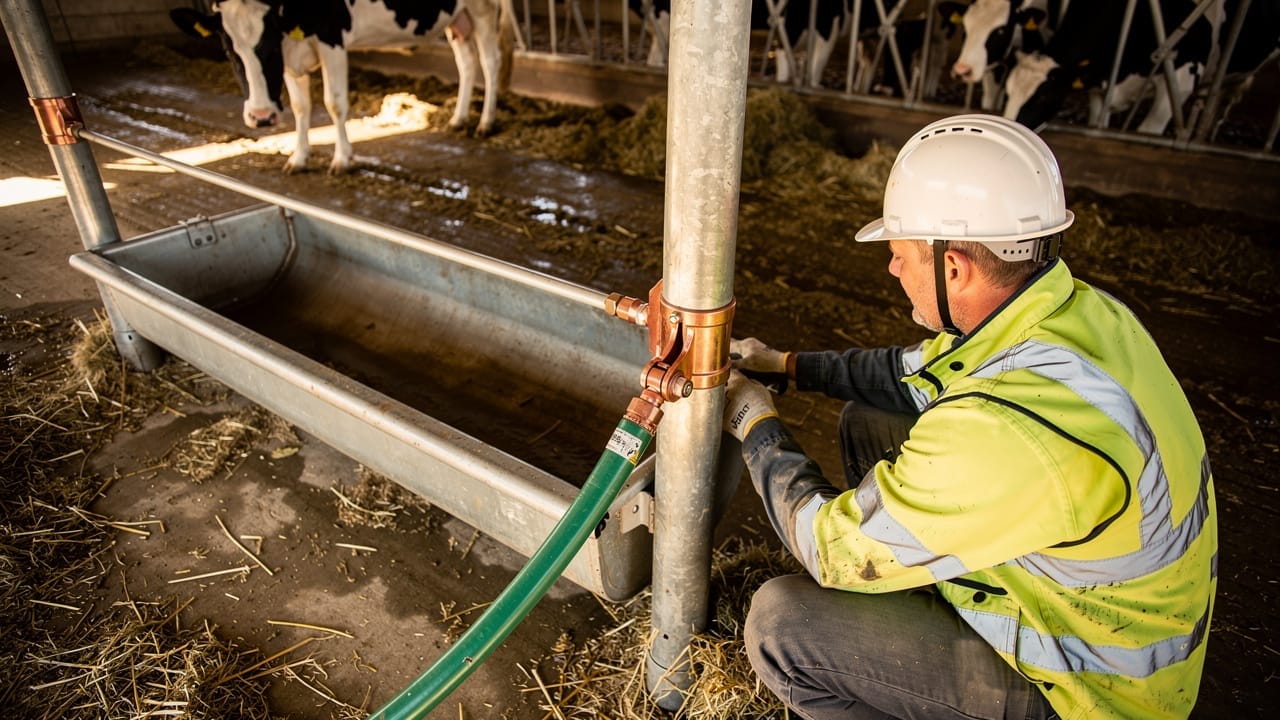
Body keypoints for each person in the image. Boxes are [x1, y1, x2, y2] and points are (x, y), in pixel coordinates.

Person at [723, 114, 1217, 719]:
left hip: (1088, 690)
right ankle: (927, 568)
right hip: (1093, 603)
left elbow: (828, 548)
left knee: (783, 625)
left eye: (900, 254)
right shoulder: (1072, 312)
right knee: (867, 420)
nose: (892, 269)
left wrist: (754, 422)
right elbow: (906, 374)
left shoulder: (1002, 430)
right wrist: (786, 364)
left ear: (953, 267)